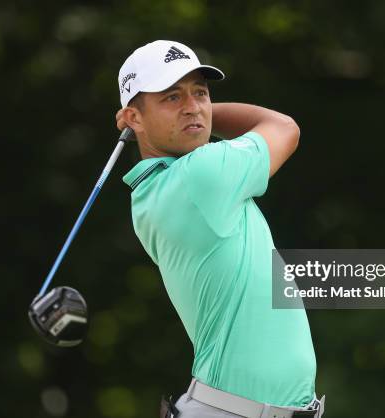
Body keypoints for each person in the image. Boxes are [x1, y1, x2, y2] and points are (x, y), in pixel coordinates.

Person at [115, 40, 324, 418]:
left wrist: (187, 114)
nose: (193, 105)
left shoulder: (148, 193)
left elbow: (191, 122)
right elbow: (283, 127)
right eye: (171, 97)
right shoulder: (204, 173)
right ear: (133, 118)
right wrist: (200, 116)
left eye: (201, 93)